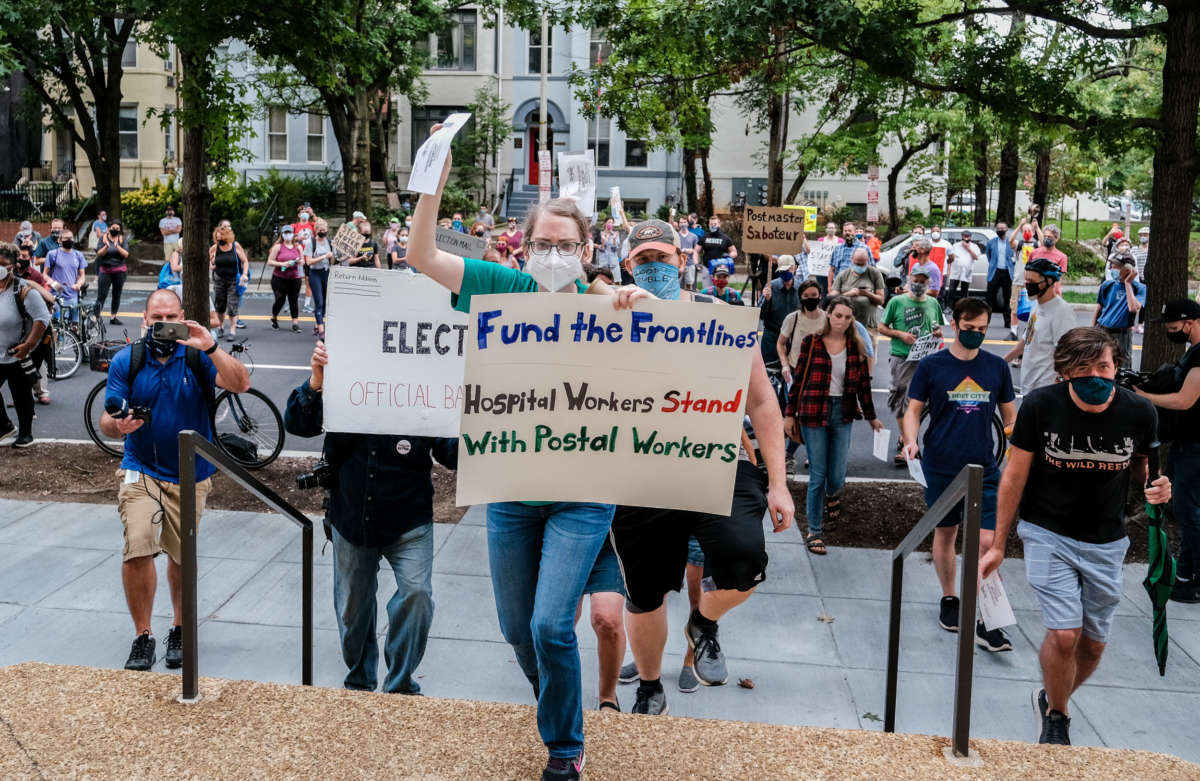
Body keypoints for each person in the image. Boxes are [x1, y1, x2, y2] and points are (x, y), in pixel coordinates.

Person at [404, 130, 651, 781]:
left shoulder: (603, 302)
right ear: (524, 245)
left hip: (581, 491)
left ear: (587, 250)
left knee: (549, 625)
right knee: (519, 630)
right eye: (542, 243)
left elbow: (658, 342)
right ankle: (563, 705)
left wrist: (632, 302)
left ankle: (564, 747)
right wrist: (435, 177)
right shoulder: (500, 285)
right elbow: (421, 253)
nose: (552, 254)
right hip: (511, 490)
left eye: (565, 245)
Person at [610, 218, 793, 722]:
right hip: (639, 471)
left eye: (661, 258)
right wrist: (609, 307)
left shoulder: (723, 316)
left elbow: (761, 400)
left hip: (717, 461)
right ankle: (650, 685)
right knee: (643, 592)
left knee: (744, 559)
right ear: (628, 265)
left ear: (682, 259)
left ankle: (702, 622)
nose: (652, 268)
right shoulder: (606, 316)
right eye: (642, 260)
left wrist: (778, 483)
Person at [980, 327, 1170, 746]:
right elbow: (1014, 475)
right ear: (1062, 373)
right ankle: (1058, 718)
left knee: (1093, 646)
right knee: (1065, 632)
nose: (1095, 376)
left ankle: (1050, 695)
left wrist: (1157, 487)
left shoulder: (1139, 412)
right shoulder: (1041, 407)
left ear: (1116, 366)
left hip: (1107, 539)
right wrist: (998, 543)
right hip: (1047, 530)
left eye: (1103, 366)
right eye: (1082, 369)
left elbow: (1143, 470)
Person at [285, 340, 457, 693]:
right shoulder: (345, 373)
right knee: (353, 611)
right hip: (352, 516)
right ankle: (361, 681)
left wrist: (475, 422)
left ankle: (399, 687)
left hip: (409, 519)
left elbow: (452, 454)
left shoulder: (426, 383)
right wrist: (316, 381)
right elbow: (299, 423)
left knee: (417, 596)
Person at [99, 288, 251, 671]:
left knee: (182, 556)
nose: (163, 324)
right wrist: (119, 425)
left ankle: (180, 628)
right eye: (157, 317)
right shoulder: (128, 360)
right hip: (141, 467)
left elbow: (240, 383)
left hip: (191, 473)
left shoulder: (198, 355)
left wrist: (211, 345)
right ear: (145, 320)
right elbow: (106, 419)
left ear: (182, 318)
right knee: (138, 544)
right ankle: (143, 635)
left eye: (171, 317)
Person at [902, 296, 1017, 649]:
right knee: (946, 533)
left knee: (987, 542)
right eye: (970, 329)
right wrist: (910, 441)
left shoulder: (996, 368)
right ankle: (950, 598)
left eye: (982, 330)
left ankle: (987, 617)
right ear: (955, 325)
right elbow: (913, 409)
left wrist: (1014, 446)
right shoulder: (932, 366)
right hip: (941, 464)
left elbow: (1010, 415)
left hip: (985, 466)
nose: (976, 335)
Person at [785, 296, 884, 555]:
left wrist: (872, 416)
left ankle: (833, 494)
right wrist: (789, 414)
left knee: (837, 474)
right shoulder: (812, 342)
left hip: (843, 412)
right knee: (818, 473)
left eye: (847, 317)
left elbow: (863, 385)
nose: (842, 321)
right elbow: (798, 381)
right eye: (838, 315)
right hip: (813, 410)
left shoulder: (856, 346)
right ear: (829, 314)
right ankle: (814, 531)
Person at [1133, 299, 1200, 603]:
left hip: (1196, 448)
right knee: (1186, 510)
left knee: (1190, 512)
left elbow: (1185, 400)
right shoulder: (1193, 352)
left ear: (1190, 322)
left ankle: (1195, 578)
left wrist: (1144, 396)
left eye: (1174, 327)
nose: (1171, 332)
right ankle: (1185, 573)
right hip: (1185, 444)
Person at [879, 267, 944, 465]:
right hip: (903, 358)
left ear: (929, 283)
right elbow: (881, 327)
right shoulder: (897, 302)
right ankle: (908, 443)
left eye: (923, 281)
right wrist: (901, 335)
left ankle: (907, 438)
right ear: (909, 279)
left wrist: (937, 334)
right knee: (901, 400)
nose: (919, 284)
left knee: (923, 402)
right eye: (916, 280)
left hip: (927, 359)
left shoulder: (933, 303)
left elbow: (939, 327)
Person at [0, 244, 49, 447]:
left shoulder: (24, 290)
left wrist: (28, 345)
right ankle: (4, 426)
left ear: (13, 266)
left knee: (20, 391)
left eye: (2, 264)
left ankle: (25, 434)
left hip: (19, 351)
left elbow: (42, 318)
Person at [1004, 258, 1074, 396]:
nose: (1027, 285)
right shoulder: (1036, 305)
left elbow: (1065, 354)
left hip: (1046, 389)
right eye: (1026, 280)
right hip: (1029, 383)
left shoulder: (1062, 312)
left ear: (1048, 282)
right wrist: (1002, 361)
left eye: (1031, 282)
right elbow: (1026, 340)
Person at [1092, 252, 1144, 367]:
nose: (1111, 269)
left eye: (1115, 266)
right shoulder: (1107, 285)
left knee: (1121, 365)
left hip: (1121, 334)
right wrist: (1093, 330)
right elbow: (1099, 309)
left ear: (1127, 270)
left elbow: (1133, 308)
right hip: (1103, 330)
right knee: (1100, 363)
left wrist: (1127, 284)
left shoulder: (1139, 288)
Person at [831, 246, 886, 355]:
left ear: (867, 261)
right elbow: (831, 299)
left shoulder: (874, 273)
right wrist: (848, 294)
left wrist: (868, 294)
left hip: (869, 326)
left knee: (868, 357)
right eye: (857, 263)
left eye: (862, 264)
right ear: (852, 260)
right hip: (847, 326)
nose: (859, 267)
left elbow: (881, 300)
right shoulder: (843, 275)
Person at [208, 226, 250, 341]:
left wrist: (244, 274)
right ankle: (221, 327)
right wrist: (212, 264)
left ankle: (232, 330)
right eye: (217, 237)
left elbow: (245, 261)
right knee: (220, 306)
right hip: (219, 280)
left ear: (227, 236)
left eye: (221, 237)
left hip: (233, 280)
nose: (219, 239)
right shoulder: (215, 248)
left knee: (232, 306)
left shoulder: (235, 246)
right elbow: (208, 260)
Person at [758, 255, 800, 361]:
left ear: (794, 268)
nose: (785, 273)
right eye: (783, 270)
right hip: (772, 336)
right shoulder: (771, 286)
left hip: (792, 338)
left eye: (788, 269)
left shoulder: (801, 288)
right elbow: (760, 315)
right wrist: (766, 300)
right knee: (769, 369)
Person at [43, 228, 87, 323]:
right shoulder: (52, 254)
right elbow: (45, 274)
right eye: (66, 238)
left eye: (71, 238)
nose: (69, 240)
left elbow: (82, 276)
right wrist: (52, 282)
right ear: (60, 240)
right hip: (58, 296)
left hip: (74, 296)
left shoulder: (78, 255)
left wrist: (78, 285)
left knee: (75, 326)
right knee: (59, 326)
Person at [267, 225, 305, 332]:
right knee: (280, 300)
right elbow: (270, 261)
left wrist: (300, 261)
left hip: (294, 278)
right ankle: (274, 317)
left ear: (293, 234)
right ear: (282, 234)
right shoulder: (278, 247)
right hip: (279, 278)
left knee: (294, 300)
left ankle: (295, 323)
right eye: (285, 233)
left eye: (290, 232)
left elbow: (303, 261)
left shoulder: (298, 247)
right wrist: (282, 263)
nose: (288, 235)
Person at [94, 220, 130, 325]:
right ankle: (95, 317)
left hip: (119, 271)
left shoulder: (122, 239)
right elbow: (99, 254)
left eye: (117, 229)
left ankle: (113, 317)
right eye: (113, 228)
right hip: (105, 271)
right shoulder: (103, 238)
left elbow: (126, 254)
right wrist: (106, 246)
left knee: (116, 294)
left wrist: (117, 246)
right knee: (101, 295)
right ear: (109, 228)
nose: (115, 230)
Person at [986, 222, 1018, 338]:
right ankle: (986, 320)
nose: (1000, 230)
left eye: (1002, 228)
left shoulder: (1011, 242)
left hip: (1007, 272)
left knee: (1008, 298)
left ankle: (1008, 321)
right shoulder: (991, 242)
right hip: (995, 271)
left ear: (1007, 229)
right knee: (989, 297)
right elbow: (988, 256)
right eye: (998, 228)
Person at [305, 218, 335, 338]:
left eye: (324, 229)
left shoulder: (330, 242)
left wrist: (338, 257)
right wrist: (323, 256)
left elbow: (333, 260)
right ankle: (321, 330)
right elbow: (308, 262)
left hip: (326, 273)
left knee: (325, 302)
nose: (323, 231)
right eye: (320, 230)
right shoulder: (310, 243)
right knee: (319, 302)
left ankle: (317, 325)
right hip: (315, 274)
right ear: (316, 230)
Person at [944, 231, 978, 312]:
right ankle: (949, 307)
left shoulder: (974, 246)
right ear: (962, 236)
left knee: (964, 291)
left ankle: (963, 308)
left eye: (968, 236)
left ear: (970, 237)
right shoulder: (956, 245)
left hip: (967, 272)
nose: (966, 238)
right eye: (964, 236)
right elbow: (951, 256)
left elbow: (976, 257)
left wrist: (968, 248)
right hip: (955, 271)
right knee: (952, 289)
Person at [828, 221, 867, 292]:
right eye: (845, 231)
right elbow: (832, 269)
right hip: (838, 287)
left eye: (849, 230)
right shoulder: (837, 249)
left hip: (857, 288)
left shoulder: (864, 248)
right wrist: (829, 287)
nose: (847, 232)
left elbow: (872, 269)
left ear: (855, 232)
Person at [593, 218, 623, 284]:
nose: (610, 224)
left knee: (617, 282)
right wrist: (603, 241)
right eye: (609, 222)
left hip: (613, 263)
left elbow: (616, 248)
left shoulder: (615, 234)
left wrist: (614, 239)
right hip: (603, 263)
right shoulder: (600, 234)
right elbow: (601, 249)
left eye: (612, 223)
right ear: (605, 223)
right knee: (603, 283)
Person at [676, 217, 700, 290]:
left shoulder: (694, 236)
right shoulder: (676, 236)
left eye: (684, 222)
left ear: (687, 223)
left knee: (689, 285)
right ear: (679, 224)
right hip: (678, 264)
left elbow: (696, 251)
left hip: (690, 263)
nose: (683, 224)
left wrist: (690, 250)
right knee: (677, 285)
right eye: (681, 222)